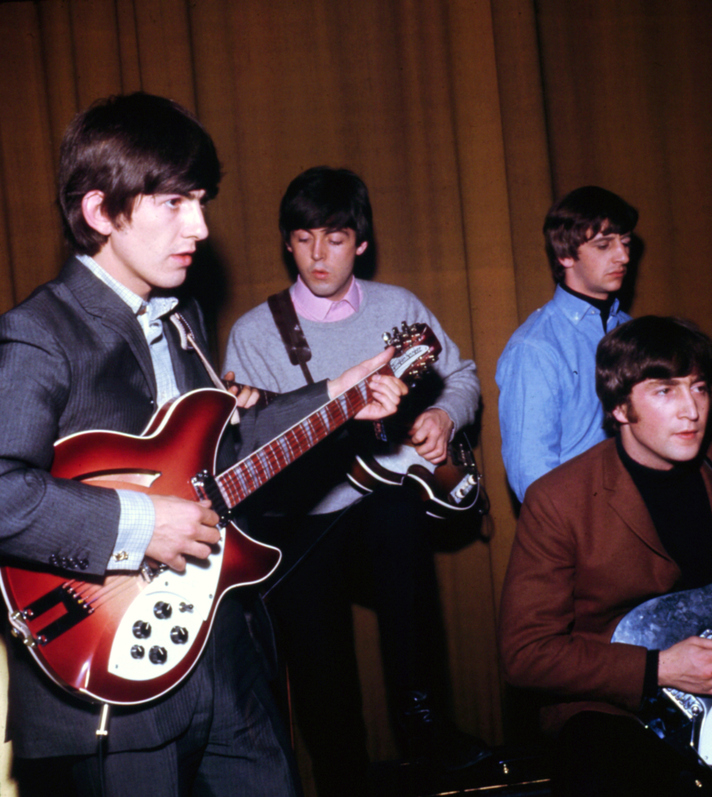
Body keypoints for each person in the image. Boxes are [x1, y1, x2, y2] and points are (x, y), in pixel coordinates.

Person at [0, 94, 406, 796]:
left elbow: (222, 448)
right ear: (100, 212)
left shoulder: (182, 313)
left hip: (223, 651)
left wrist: (336, 397)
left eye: (202, 200)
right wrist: (141, 523)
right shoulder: (41, 332)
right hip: (111, 683)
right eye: (174, 203)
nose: (200, 226)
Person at [224, 166, 488, 796]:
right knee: (322, 669)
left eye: (336, 238)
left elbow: (465, 375)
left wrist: (442, 415)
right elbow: (241, 454)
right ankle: (341, 772)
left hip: (385, 512)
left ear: (360, 242)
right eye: (304, 237)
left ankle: (424, 722)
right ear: (286, 242)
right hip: (302, 523)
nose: (319, 254)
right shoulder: (255, 335)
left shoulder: (399, 308)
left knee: (395, 514)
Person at [498, 315, 712, 796]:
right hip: (617, 708)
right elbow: (526, 655)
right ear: (620, 407)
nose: (691, 411)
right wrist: (659, 668)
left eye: (699, 388)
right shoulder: (559, 500)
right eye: (664, 391)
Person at [496, 186, 638, 502]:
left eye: (625, 243)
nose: (624, 256)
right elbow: (532, 479)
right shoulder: (534, 347)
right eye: (604, 245)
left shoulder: (632, 331)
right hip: (583, 524)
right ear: (564, 255)